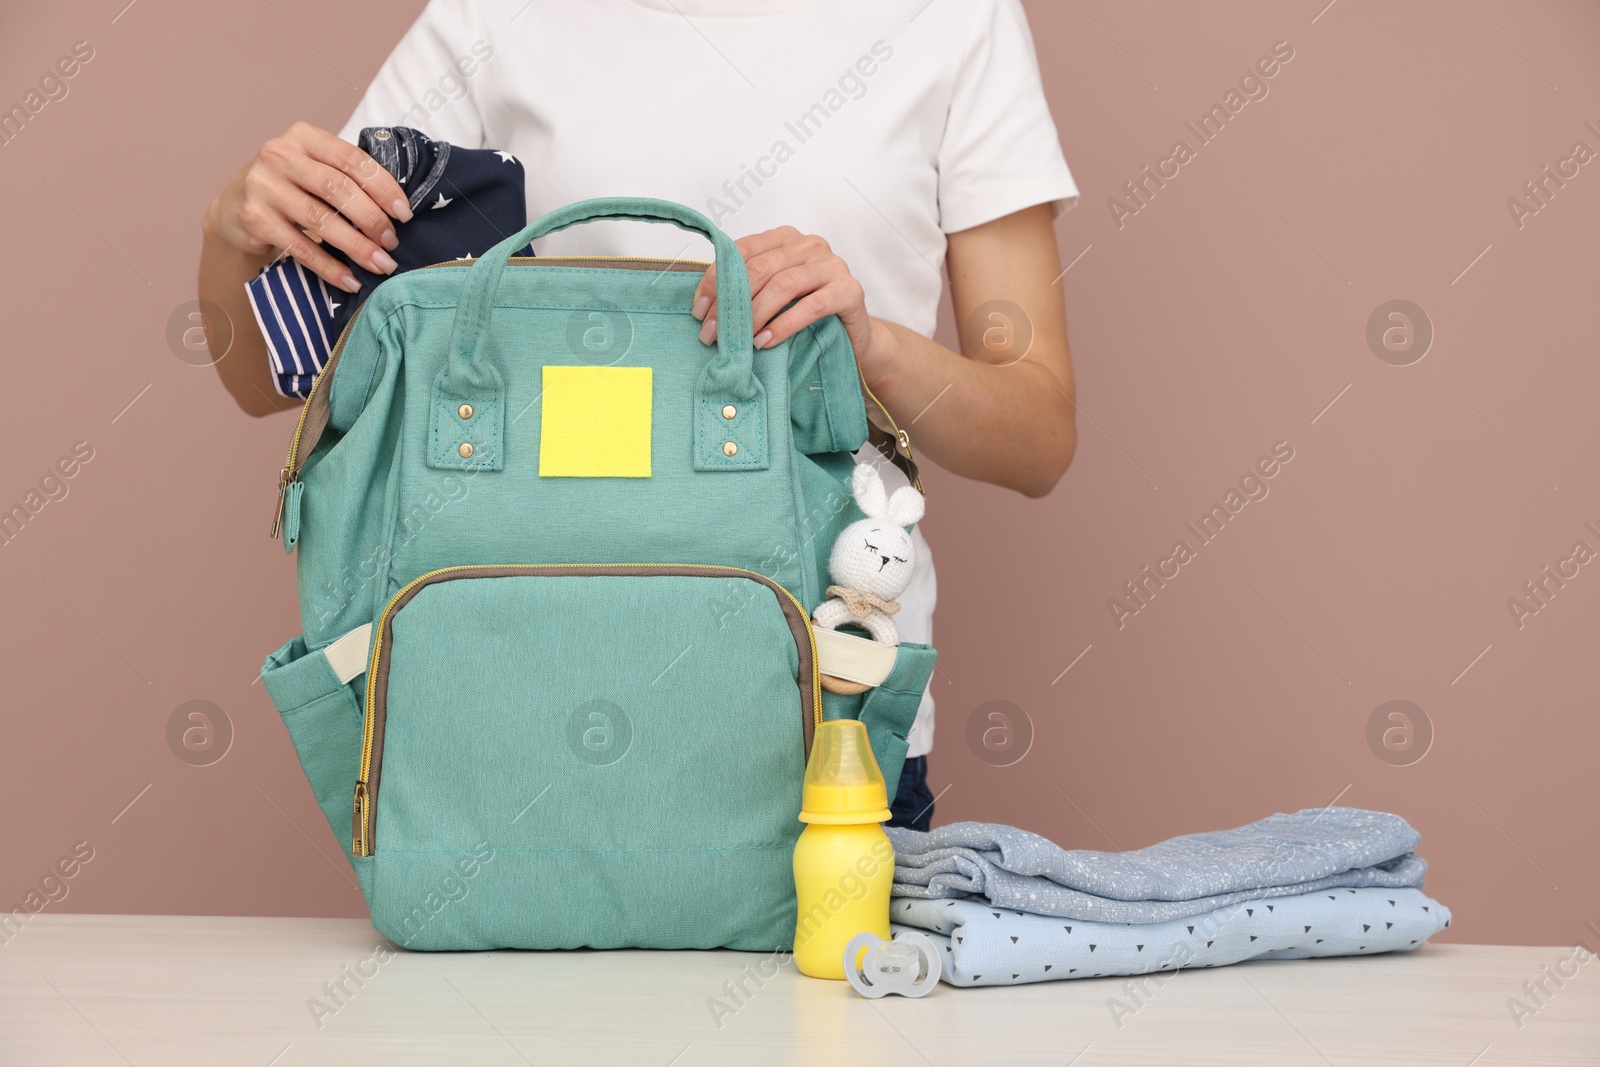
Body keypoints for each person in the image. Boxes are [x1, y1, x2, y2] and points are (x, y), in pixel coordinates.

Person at [199, 0, 1079, 830]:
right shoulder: (494, 16)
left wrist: (870, 346)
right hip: (507, 717)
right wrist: (228, 234)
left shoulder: (957, 19)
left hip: (826, 720)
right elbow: (268, 381)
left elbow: (1037, 433)